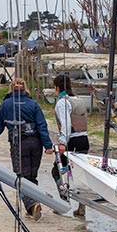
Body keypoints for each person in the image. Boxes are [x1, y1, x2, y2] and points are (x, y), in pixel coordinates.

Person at [0, 78, 54, 221]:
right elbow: (42, 126)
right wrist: (48, 146)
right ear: (25, 89)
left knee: (21, 177)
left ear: (11, 88)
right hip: (36, 143)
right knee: (32, 176)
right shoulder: (33, 104)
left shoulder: (6, 105)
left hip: (19, 144)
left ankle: (32, 205)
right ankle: (33, 204)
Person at [50, 74, 88, 215]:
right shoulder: (77, 100)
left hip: (72, 140)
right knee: (79, 174)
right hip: (84, 139)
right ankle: (82, 206)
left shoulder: (62, 102)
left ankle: (63, 202)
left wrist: (62, 142)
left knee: (57, 171)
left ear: (57, 87)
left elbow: (65, 124)